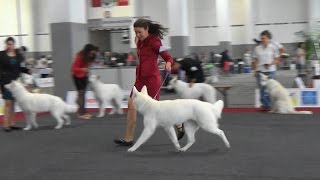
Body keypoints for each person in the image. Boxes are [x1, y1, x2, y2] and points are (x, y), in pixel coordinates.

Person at [114, 18, 173, 146]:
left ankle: (178, 122)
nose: (138, 35)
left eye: (140, 32)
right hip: (140, 79)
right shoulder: (139, 42)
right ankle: (128, 139)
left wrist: (168, 64)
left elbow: (168, 57)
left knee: (158, 111)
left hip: (152, 79)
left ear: (147, 29)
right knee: (131, 106)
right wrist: (138, 39)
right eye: (135, 32)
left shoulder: (155, 41)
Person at [171, 57, 206, 139]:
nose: (173, 69)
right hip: (191, 75)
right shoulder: (180, 64)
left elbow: (196, 71)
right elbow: (184, 73)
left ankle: (203, 113)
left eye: (173, 67)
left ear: (176, 64)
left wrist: (193, 80)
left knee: (199, 96)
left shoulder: (187, 63)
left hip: (199, 76)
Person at [0, 37, 30, 132]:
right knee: (8, 103)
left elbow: (20, 68)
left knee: (13, 103)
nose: (10, 46)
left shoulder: (18, 55)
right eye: (8, 44)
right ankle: (6, 125)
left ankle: (12, 124)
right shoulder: (1, 55)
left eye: (11, 44)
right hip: (5, 82)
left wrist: (27, 71)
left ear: (14, 44)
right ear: (6, 44)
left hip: (15, 83)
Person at [252, 30, 280, 111]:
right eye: (261, 38)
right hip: (260, 71)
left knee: (271, 89)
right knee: (262, 89)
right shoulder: (257, 48)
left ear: (268, 38)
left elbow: (278, 59)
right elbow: (255, 60)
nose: (262, 40)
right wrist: (254, 70)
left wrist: (271, 63)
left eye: (264, 38)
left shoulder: (273, 47)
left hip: (271, 71)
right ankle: (265, 105)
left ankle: (273, 105)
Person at [71, 44, 98, 120]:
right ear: (88, 50)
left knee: (83, 94)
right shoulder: (79, 56)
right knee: (81, 94)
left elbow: (88, 65)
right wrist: (83, 69)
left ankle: (83, 110)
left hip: (84, 76)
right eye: (92, 51)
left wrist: (86, 71)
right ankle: (81, 113)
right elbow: (74, 68)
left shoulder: (89, 56)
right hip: (77, 76)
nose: (93, 53)